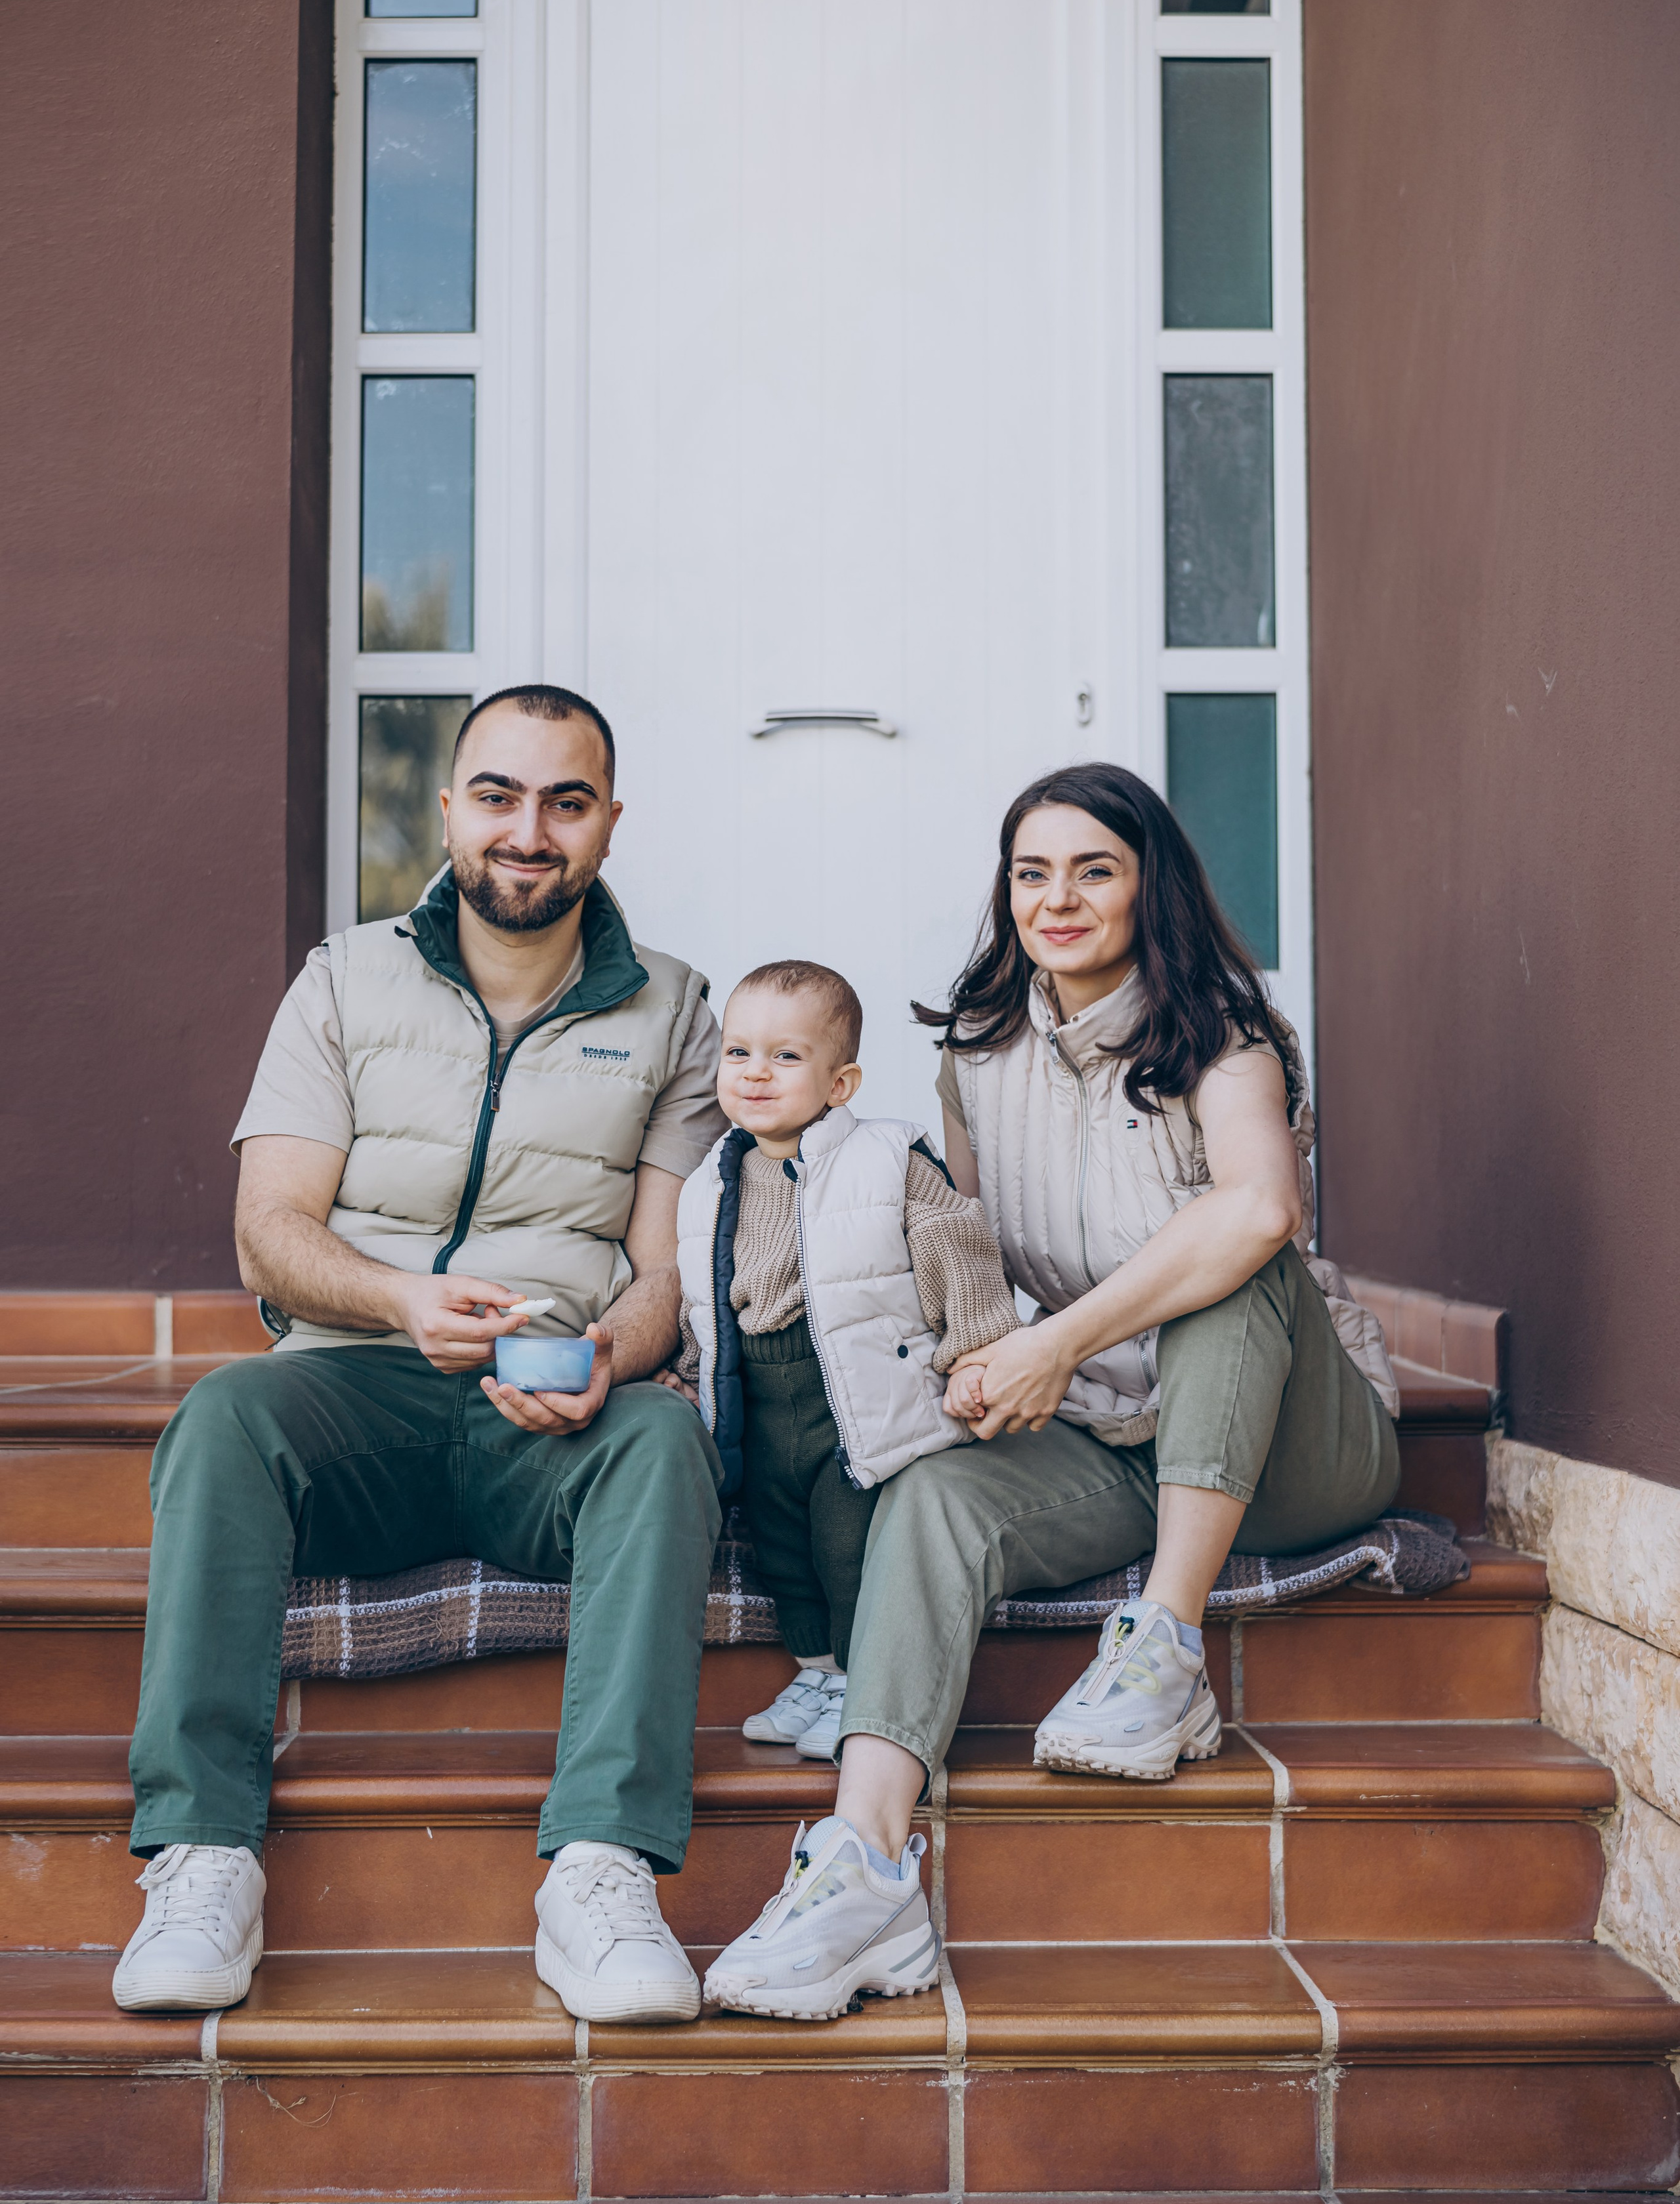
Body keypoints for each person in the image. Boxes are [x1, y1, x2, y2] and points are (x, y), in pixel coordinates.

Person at [706, 762, 1398, 2018]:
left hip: (1294, 1443)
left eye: (1095, 870)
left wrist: (1055, 1342)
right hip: (1115, 1440)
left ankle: (1165, 1651)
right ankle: (863, 1867)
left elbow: (1258, 1212)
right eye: (1034, 873)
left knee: (1223, 1264)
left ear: (1150, 889)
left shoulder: (1224, 1037)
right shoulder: (977, 1055)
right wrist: (971, 1365)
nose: (1059, 899)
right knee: (932, 1498)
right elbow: (970, 1246)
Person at [114, 685, 729, 2027]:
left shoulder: (679, 1009)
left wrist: (605, 1362)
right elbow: (268, 1231)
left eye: (566, 802)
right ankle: (203, 1856)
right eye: (499, 795)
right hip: (359, 1389)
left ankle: (601, 1867)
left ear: (608, 826)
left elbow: (668, 1269)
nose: (529, 829)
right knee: (224, 1415)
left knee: (668, 1443)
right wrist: (400, 1300)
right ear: (449, 808)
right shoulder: (345, 977)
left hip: (547, 1401)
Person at [661, 959, 1017, 2018]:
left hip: (852, 1389)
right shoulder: (708, 1179)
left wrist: (978, 1343)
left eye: (786, 1057)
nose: (756, 1075)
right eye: (739, 1054)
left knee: (847, 1532)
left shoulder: (883, 1161)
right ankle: (815, 1672)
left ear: (843, 1080)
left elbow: (955, 1244)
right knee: (778, 1538)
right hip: (756, 1389)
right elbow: (699, 1287)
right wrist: (691, 1368)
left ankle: (866, 1680)